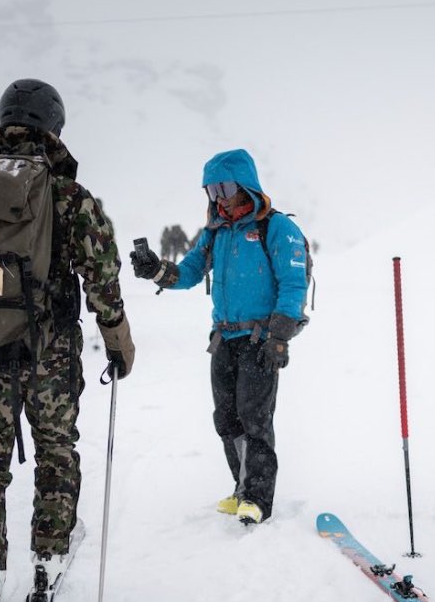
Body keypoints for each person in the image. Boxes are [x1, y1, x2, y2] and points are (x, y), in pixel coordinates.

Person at [0, 78, 134, 602]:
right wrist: (117, 339)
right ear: (54, 127)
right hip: (51, 353)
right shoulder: (66, 194)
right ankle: (47, 560)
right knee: (56, 452)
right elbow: (101, 270)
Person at [131, 149, 308, 525]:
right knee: (226, 418)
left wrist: (280, 337)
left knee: (254, 417)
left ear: (246, 185)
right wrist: (156, 271)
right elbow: (191, 272)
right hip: (224, 339)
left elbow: (294, 284)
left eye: (224, 187)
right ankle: (241, 489)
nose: (219, 197)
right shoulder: (216, 233)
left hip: (260, 338)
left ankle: (259, 498)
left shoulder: (274, 228)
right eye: (211, 190)